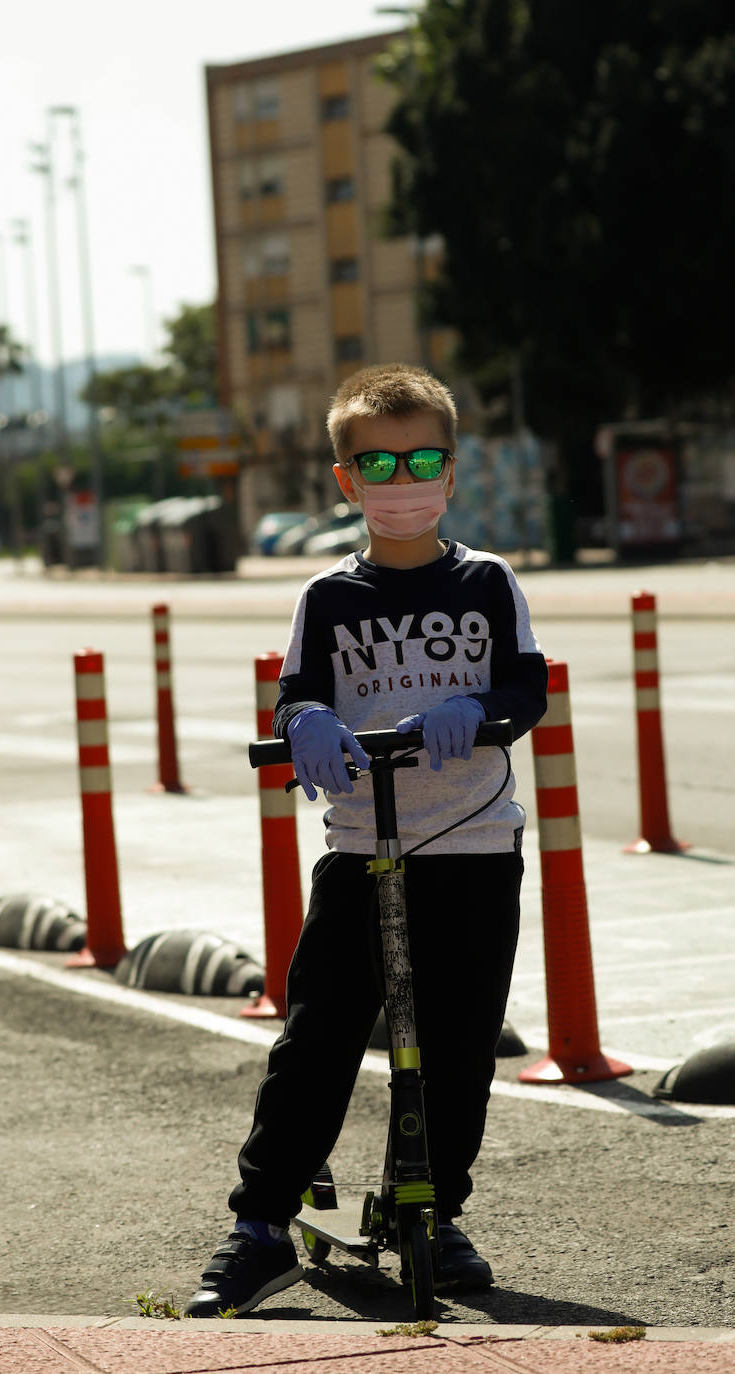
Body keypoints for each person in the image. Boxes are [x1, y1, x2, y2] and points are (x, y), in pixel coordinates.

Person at [185, 363, 548, 1318]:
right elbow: (298, 690)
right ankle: (260, 1223)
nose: (401, 477)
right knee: (319, 1037)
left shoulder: (486, 581)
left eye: (422, 457)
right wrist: (304, 717)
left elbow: (525, 688)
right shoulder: (328, 597)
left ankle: (435, 1207)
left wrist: (479, 706)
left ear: (452, 471)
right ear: (346, 480)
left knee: (458, 1044)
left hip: (472, 844)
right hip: (362, 842)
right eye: (377, 461)